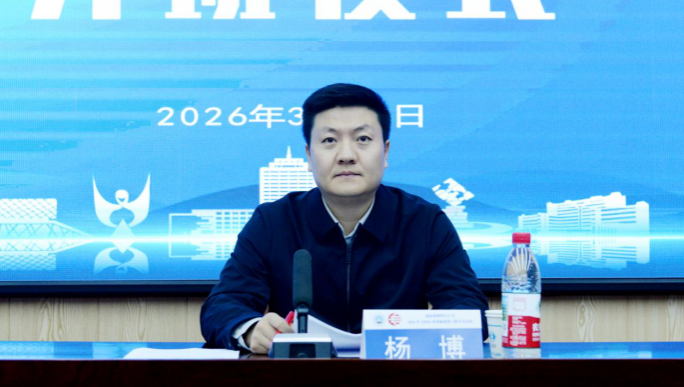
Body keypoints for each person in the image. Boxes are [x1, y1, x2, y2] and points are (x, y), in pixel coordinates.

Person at [200, 83, 489, 353]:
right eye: (329, 140)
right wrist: (251, 330)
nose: (346, 155)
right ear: (309, 156)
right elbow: (223, 305)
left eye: (363, 139)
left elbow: (468, 308)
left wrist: (425, 333)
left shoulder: (425, 222)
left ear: (385, 152)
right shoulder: (273, 222)